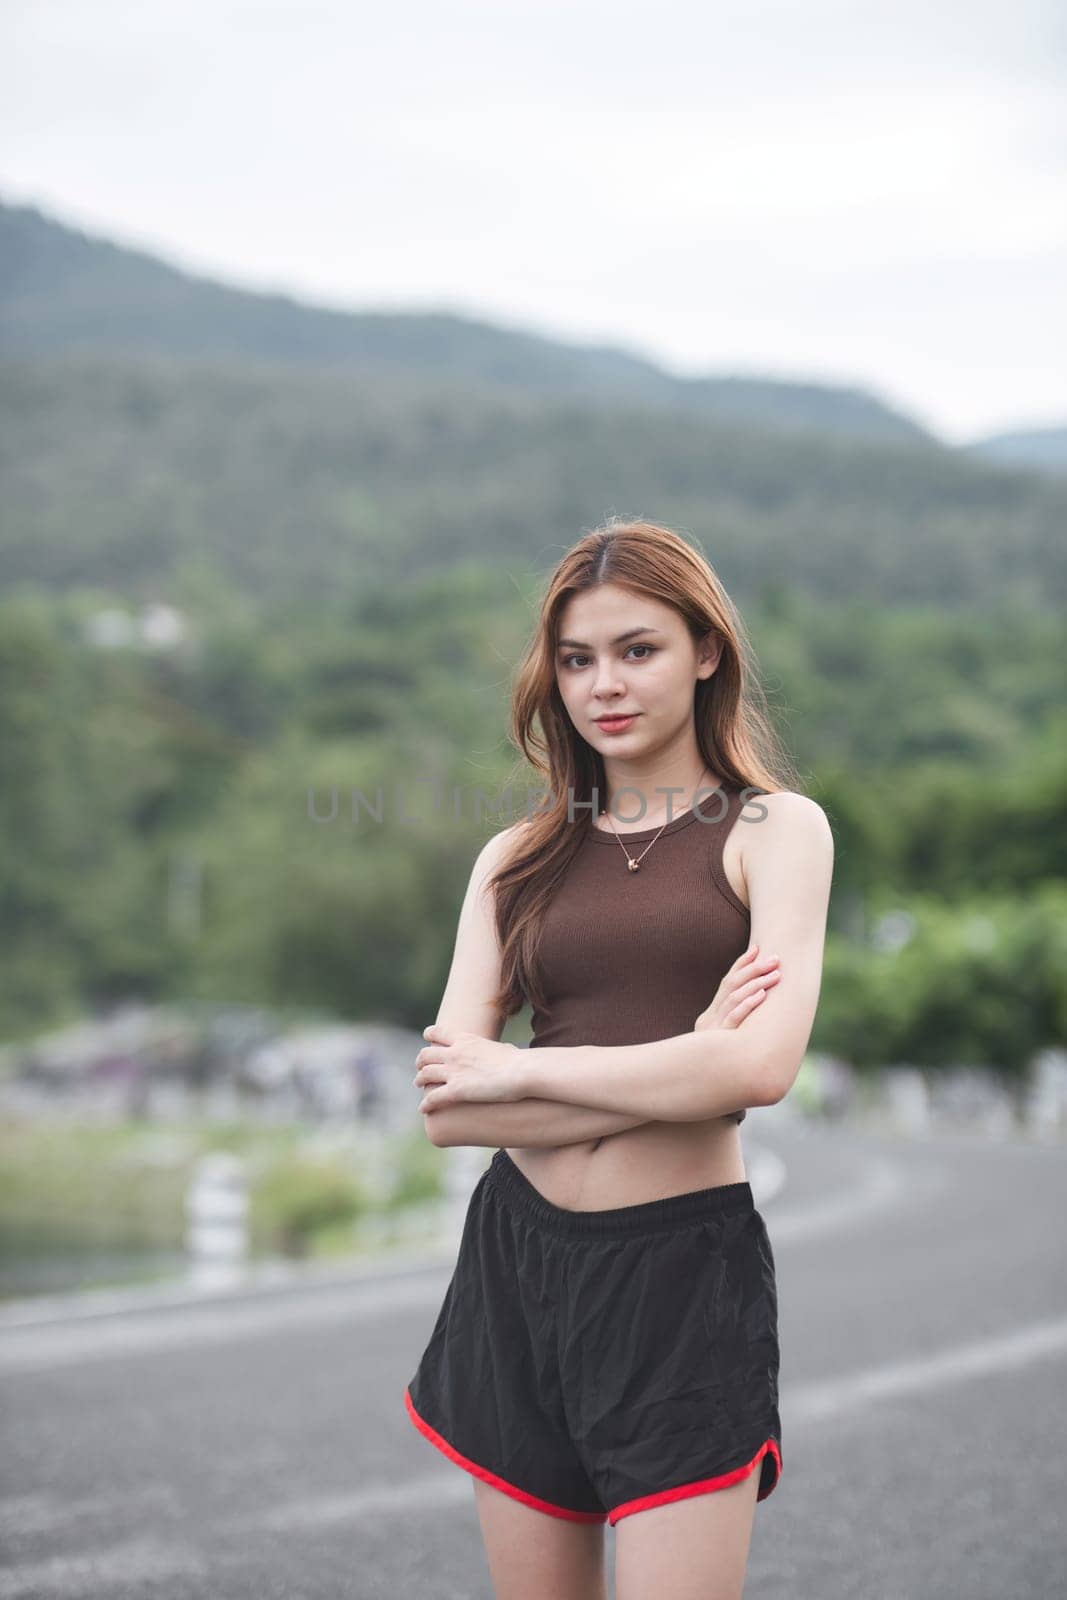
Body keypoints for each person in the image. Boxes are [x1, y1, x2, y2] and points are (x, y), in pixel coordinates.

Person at [403, 518, 834, 1600]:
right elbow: (453, 1107)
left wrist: (527, 1072)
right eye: (575, 657)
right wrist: (686, 1050)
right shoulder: (514, 859)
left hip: (681, 1278)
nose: (604, 683)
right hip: (515, 1265)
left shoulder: (774, 830)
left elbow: (757, 1070)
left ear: (704, 651)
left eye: (636, 649)